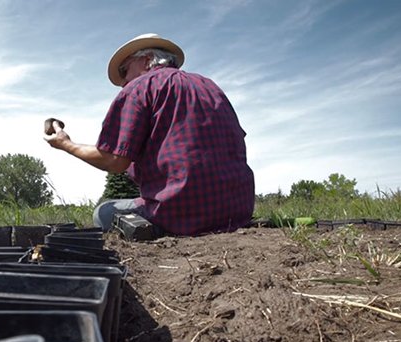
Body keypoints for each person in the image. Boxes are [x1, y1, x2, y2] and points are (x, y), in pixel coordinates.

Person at [44, 33, 255, 236]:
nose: (124, 82)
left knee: (103, 212)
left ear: (146, 61)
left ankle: (157, 229)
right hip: (238, 210)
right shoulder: (210, 87)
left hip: (181, 212)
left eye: (125, 70)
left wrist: (66, 144)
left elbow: (114, 161)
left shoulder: (140, 87)